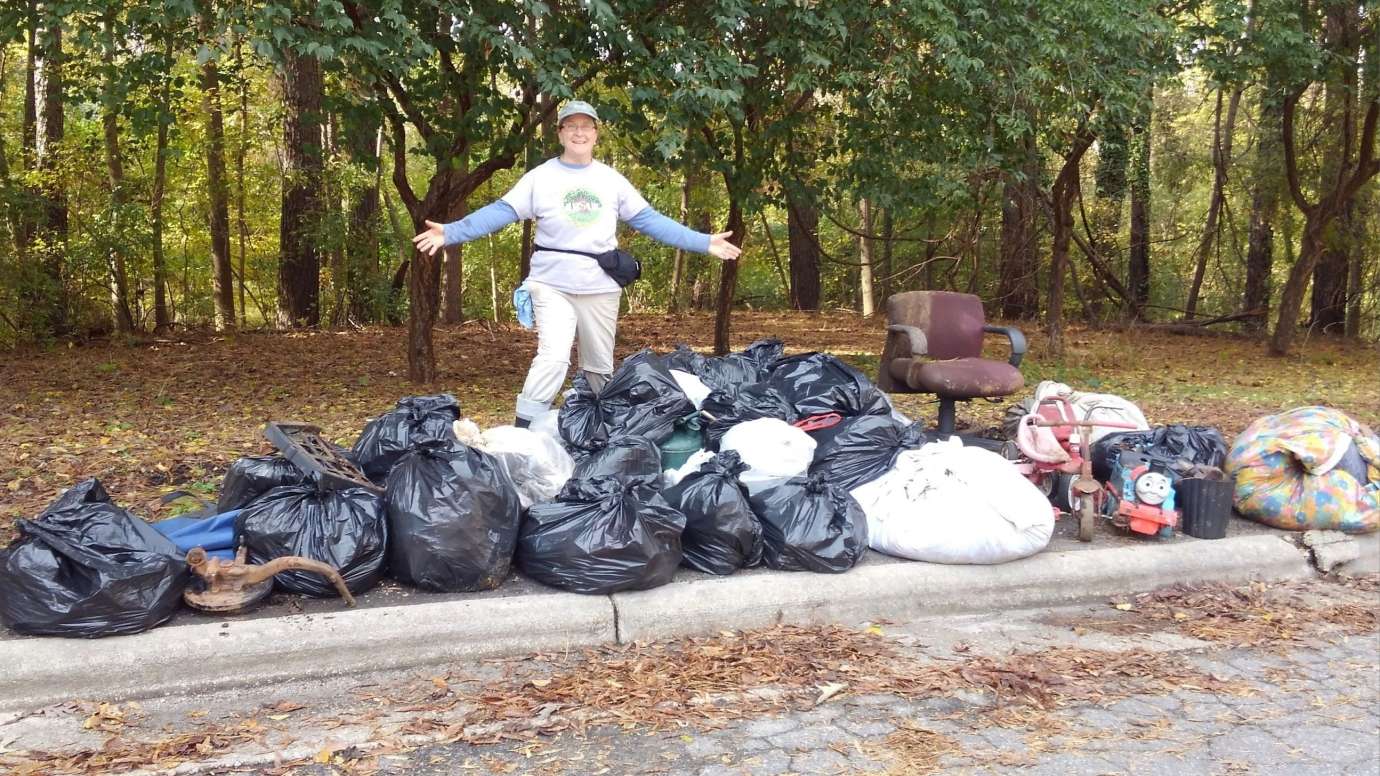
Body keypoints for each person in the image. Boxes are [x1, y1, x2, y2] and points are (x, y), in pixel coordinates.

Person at [413, 100, 742, 428]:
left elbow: (650, 221)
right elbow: (500, 211)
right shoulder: (540, 178)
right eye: (572, 126)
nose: (579, 132)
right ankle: (524, 433)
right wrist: (451, 232)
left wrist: (703, 241)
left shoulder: (610, 180)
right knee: (553, 358)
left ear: (596, 134)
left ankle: (608, 434)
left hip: (600, 287)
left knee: (599, 369)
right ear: (560, 133)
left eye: (586, 126)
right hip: (550, 284)